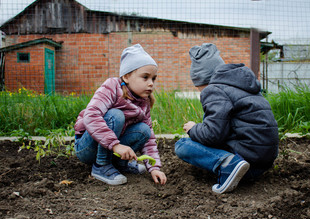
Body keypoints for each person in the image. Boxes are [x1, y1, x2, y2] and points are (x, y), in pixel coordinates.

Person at [175, 43, 279, 194]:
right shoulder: (242, 86)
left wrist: (193, 128)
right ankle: (232, 164)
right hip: (262, 164)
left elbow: (213, 135)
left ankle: (229, 165)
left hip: (246, 162)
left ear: (202, 80)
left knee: (183, 144)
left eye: (198, 88)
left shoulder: (214, 90)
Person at [74, 44, 167, 186]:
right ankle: (101, 166)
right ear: (126, 76)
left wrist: (154, 168)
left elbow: (149, 139)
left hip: (111, 147)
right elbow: (91, 115)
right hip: (87, 147)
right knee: (115, 115)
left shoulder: (144, 101)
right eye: (145, 77)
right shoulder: (112, 87)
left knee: (144, 130)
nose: (151, 84)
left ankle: (119, 164)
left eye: (153, 79)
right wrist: (116, 145)